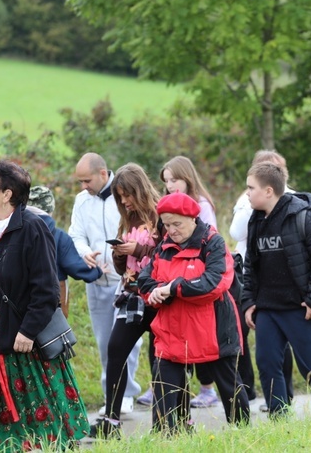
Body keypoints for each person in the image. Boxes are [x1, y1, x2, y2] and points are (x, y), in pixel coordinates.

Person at [0, 160, 89, 451]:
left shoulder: (32, 228)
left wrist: (28, 331)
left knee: (33, 399)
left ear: (7, 194)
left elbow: (46, 289)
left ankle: (38, 445)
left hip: (22, 333)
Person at [138, 192, 250, 434]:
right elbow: (144, 279)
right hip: (172, 332)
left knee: (230, 388)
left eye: (177, 224)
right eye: (167, 224)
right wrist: (156, 291)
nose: (172, 230)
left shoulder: (214, 243)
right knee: (164, 395)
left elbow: (213, 283)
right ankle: (167, 439)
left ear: (193, 219)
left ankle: (244, 436)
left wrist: (172, 288)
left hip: (214, 331)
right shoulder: (164, 247)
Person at [241, 162, 311, 416]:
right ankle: (279, 419)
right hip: (267, 309)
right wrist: (249, 301)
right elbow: (250, 265)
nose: (247, 193)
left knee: (310, 367)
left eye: (250, 188)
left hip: (301, 309)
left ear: (268, 191)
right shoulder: (255, 220)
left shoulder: (306, 216)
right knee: (266, 363)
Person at [90, 163, 161, 439]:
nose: (124, 201)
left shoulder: (160, 215)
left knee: (160, 358)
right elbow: (125, 268)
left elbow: (166, 253)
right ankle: (111, 420)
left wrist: (140, 248)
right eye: (120, 196)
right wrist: (120, 254)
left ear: (139, 190)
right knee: (115, 350)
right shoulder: (127, 218)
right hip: (130, 296)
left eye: (127, 195)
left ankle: (166, 419)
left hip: (157, 297)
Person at [70, 153, 141, 414]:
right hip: (95, 279)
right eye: (79, 181)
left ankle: (126, 394)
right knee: (104, 342)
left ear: (103, 174)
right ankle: (110, 392)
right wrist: (84, 251)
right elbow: (75, 233)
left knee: (124, 341)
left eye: (86, 180)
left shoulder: (124, 196)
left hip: (125, 281)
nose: (83, 186)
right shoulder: (81, 201)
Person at [228, 149, 294, 410]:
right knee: (242, 332)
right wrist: (248, 203)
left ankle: (283, 394)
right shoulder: (247, 199)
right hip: (247, 272)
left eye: (277, 169)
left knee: (280, 339)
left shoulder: (291, 198)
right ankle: (250, 389)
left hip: (277, 276)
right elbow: (236, 231)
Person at [159, 155, 220, 408]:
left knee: (202, 339)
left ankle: (208, 389)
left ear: (187, 177)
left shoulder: (201, 205)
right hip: (174, 275)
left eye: (175, 179)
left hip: (197, 275)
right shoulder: (167, 207)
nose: (171, 185)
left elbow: (209, 237)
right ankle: (174, 397)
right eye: (166, 181)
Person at [27, 185, 102, 318]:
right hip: (55, 290)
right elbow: (73, 266)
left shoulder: (17, 229)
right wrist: (96, 271)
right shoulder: (59, 236)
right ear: (50, 208)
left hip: (23, 291)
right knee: (55, 330)